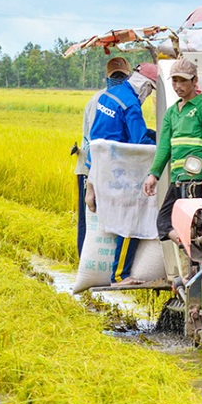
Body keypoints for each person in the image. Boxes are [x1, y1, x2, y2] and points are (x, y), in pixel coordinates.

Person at [86, 62, 158, 286]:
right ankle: (120, 275)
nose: (148, 95)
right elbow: (139, 140)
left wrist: (90, 184)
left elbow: (96, 137)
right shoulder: (131, 104)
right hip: (120, 172)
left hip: (102, 169)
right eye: (150, 90)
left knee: (122, 218)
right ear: (146, 86)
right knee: (132, 219)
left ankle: (119, 272)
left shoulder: (110, 94)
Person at [142, 58, 202, 244]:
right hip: (178, 179)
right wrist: (154, 174)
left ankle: (194, 267)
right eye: (175, 81)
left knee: (195, 225)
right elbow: (164, 147)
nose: (178, 86)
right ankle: (185, 244)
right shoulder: (171, 112)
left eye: (183, 80)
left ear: (195, 81)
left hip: (196, 178)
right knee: (164, 221)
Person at [73, 56, 132, 257]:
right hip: (91, 168)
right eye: (116, 77)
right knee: (90, 221)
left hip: (107, 168)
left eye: (121, 76)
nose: (119, 80)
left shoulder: (116, 97)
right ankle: (86, 264)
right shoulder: (103, 100)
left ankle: (102, 268)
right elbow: (97, 140)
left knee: (105, 219)